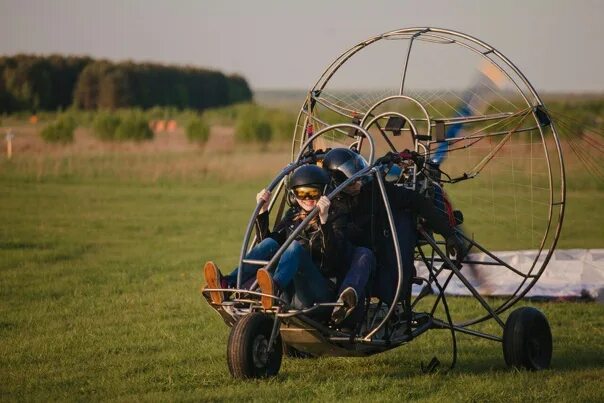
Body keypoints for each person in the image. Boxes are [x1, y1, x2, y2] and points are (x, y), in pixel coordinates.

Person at [322, 147, 464, 317]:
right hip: (333, 262)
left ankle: (346, 306)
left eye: (360, 177)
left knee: (363, 255)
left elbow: (417, 201)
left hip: (371, 265)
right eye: (353, 181)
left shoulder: (374, 190)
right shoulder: (324, 202)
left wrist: (449, 234)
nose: (359, 183)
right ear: (336, 182)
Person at [204, 164, 351, 312]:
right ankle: (227, 285)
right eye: (301, 193)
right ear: (294, 195)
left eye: (312, 193)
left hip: (320, 292)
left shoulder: (337, 217)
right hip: (291, 290)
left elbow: (331, 262)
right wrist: (263, 212)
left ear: (323, 192)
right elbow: (267, 249)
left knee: (294, 248)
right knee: (270, 243)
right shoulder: (293, 216)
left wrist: (324, 220)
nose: (307, 198)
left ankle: (273, 288)